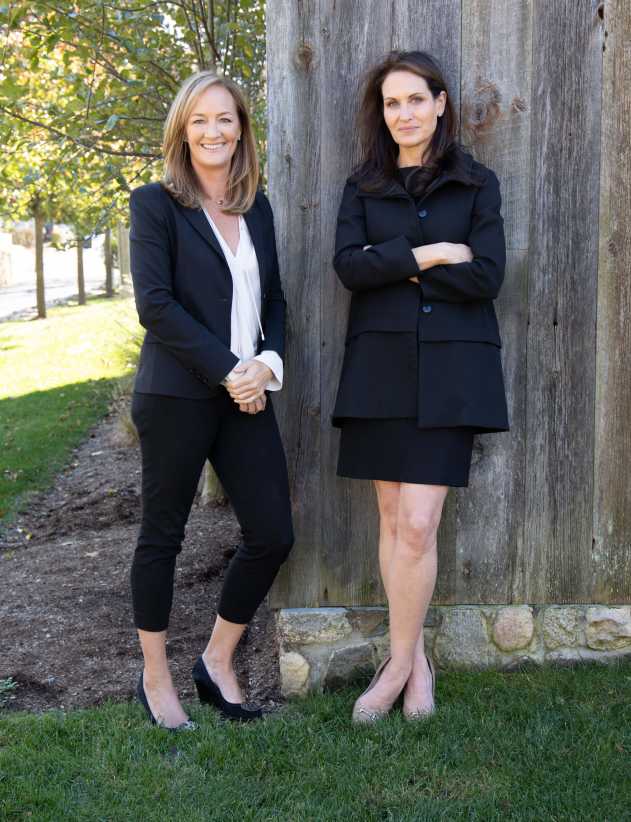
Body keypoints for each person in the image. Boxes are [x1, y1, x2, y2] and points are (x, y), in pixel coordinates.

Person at [331, 50, 509, 723]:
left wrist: (394, 265)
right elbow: (350, 267)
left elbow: (486, 277)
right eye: (390, 103)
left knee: (417, 521)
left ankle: (398, 665)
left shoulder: (476, 184)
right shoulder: (363, 185)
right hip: (379, 367)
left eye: (414, 99)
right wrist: (433, 254)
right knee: (389, 519)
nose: (402, 113)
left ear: (440, 104)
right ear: (381, 114)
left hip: (451, 371)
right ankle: (414, 662)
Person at [128, 70, 294, 730]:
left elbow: (274, 301)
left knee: (272, 534)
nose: (213, 131)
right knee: (161, 538)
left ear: (241, 129)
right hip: (175, 394)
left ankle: (216, 660)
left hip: (247, 392)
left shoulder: (258, 206)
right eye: (199, 119)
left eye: (224, 118)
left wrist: (266, 366)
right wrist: (231, 370)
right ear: (181, 130)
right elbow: (155, 307)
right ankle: (154, 675)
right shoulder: (155, 204)